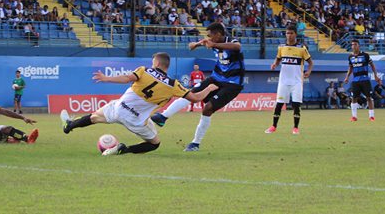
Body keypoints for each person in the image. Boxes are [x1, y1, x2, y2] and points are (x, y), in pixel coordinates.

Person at [60, 52, 219, 156]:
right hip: (136, 120)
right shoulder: (173, 85)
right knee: (154, 144)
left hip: (118, 109)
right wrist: (209, 88)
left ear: (156, 62)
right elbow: (196, 98)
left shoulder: (144, 70)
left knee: (93, 118)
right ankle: (124, 149)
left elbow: (127, 78)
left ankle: (70, 126)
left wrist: (106, 78)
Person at [150, 23, 245, 152]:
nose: (209, 38)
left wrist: (214, 45)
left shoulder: (231, 42)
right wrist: (195, 44)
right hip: (216, 78)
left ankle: (195, 143)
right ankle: (163, 117)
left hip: (232, 83)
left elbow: (237, 46)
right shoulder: (211, 41)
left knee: (208, 108)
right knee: (189, 93)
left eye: (211, 35)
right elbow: (201, 43)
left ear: (218, 34)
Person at [265, 26, 313, 134]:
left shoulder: (302, 48)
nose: (289, 35)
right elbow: (278, 59)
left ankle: (295, 128)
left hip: (296, 82)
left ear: (295, 34)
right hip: (283, 81)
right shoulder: (281, 47)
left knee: (296, 105)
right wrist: (274, 64)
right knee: (279, 104)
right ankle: (273, 126)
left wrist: (309, 71)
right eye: (287, 33)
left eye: (291, 33)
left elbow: (310, 62)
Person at [344, 39, 381, 122]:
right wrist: (347, 77)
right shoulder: (350, 57)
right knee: (354, 98)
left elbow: (372, 65)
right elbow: (350, 67)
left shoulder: (365, 55)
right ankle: (354, 117)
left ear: (358, 46)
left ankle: (371, 117)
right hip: (355, 81)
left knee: (369, 98)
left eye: (355, 44)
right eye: (352, 44)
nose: (353, 46)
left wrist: (375, 75)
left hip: (365, 79)